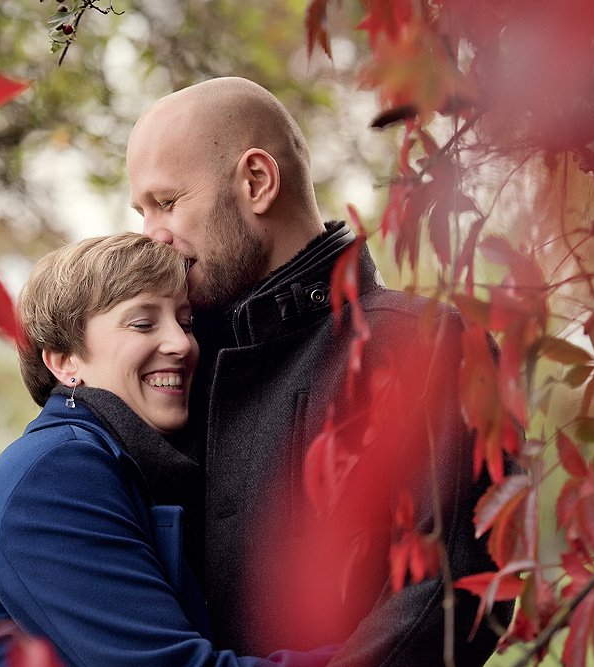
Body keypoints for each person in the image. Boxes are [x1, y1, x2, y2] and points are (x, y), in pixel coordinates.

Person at [127, 77, 514, 666]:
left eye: (167, 202)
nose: (151, 236)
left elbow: (449, 598)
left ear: (257, 182)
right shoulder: (168, 366)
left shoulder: (429, 346)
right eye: (142, 211)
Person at [0, 233, 339, 667]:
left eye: (185, 322)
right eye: (143, 324)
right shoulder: (58, 473)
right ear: (64, 361)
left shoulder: (119, 467)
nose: (182, 344)